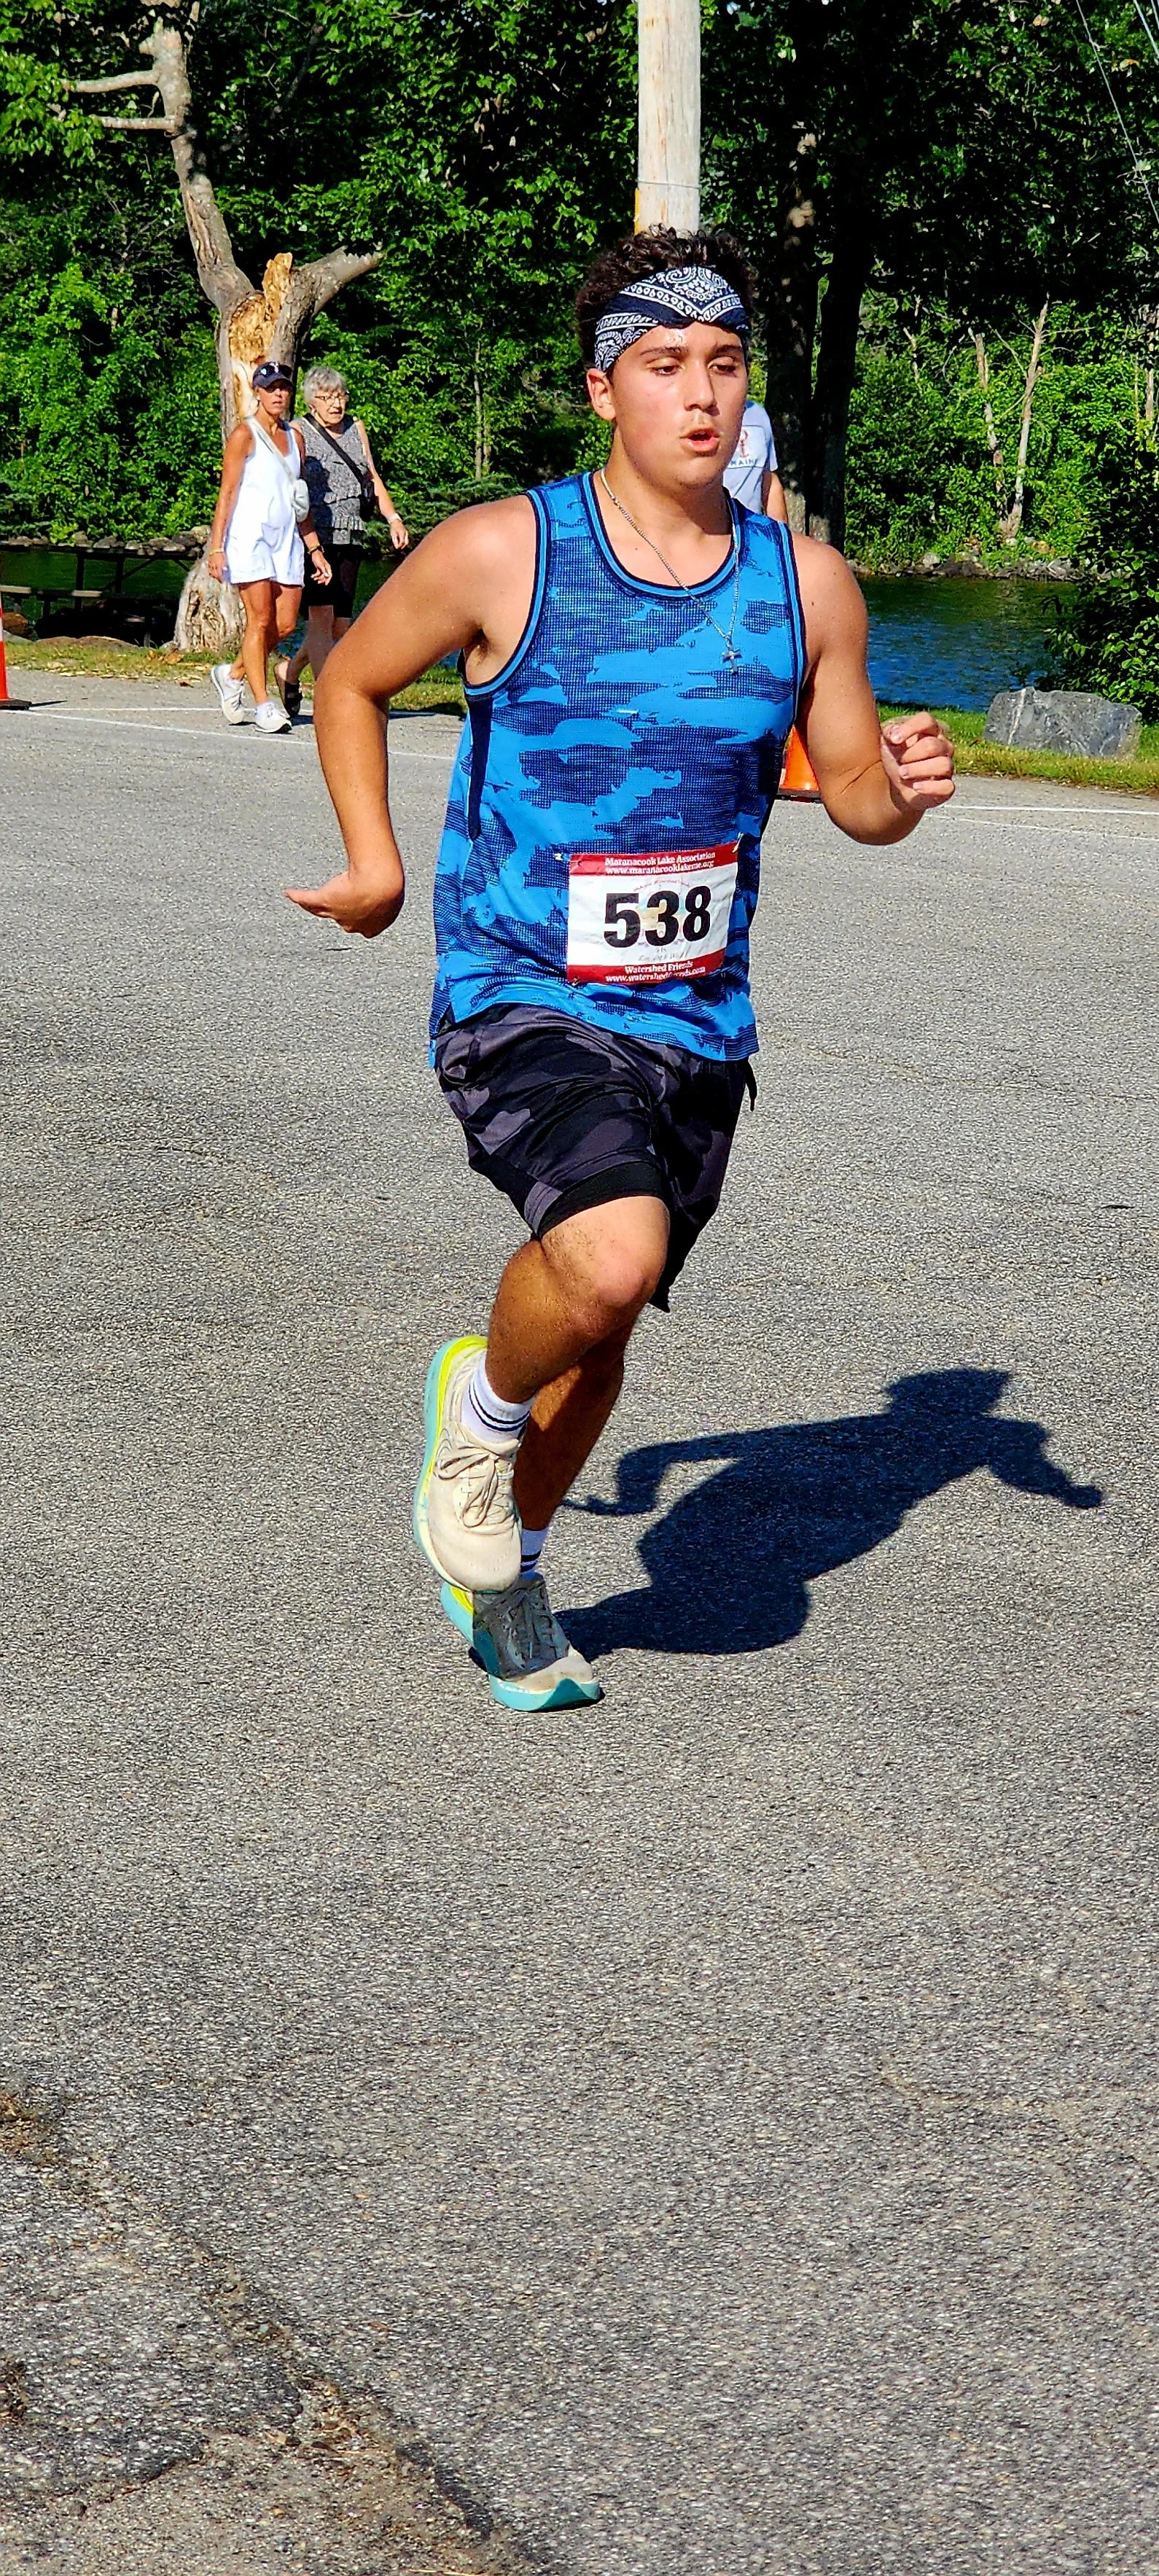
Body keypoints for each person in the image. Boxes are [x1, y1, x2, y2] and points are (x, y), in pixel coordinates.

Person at [287, 227, 955, 1713]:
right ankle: (474, 1410)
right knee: (607, 1253)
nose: (701, 395)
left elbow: (847, 788)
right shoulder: (502, 550)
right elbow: (349, 676)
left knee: (600, 1317)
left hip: (695, 1022)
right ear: (605, 391)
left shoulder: (806, 585)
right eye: (665, 366)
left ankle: (506, 1563)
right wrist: (376, 859)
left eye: (723, 365)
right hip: (522, 990)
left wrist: (899, 785)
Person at [278, 367, 409, 721]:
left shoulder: (356, 427)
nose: (336, 404)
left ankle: (289, 673)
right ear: (311, 402)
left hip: (352, 533)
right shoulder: (299, 431)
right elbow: (291, 485)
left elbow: (371, 476)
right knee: (321, 620)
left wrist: (393, 517)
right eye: (328, 397)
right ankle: (329, 699)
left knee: (341, 626)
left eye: (340, 396)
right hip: (316, 536)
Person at [206, 362, 330, 736]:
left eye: (284, 388)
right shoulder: (245, 434)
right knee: (259, 619)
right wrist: (217, 547)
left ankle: (233, 674)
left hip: (286, 540)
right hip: (249, 537)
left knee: (286, 622)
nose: (278, 394)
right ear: (257, 393)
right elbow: (227, 493)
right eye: (271, 388)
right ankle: (263, 706)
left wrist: (315, 549)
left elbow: (299, 500)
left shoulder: (296, 438)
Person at [723, 392, 787, 520]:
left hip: (752, 531)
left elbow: (769, 480)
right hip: (710, 533)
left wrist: (780, 534)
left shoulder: (758, 414)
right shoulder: (700, 416)